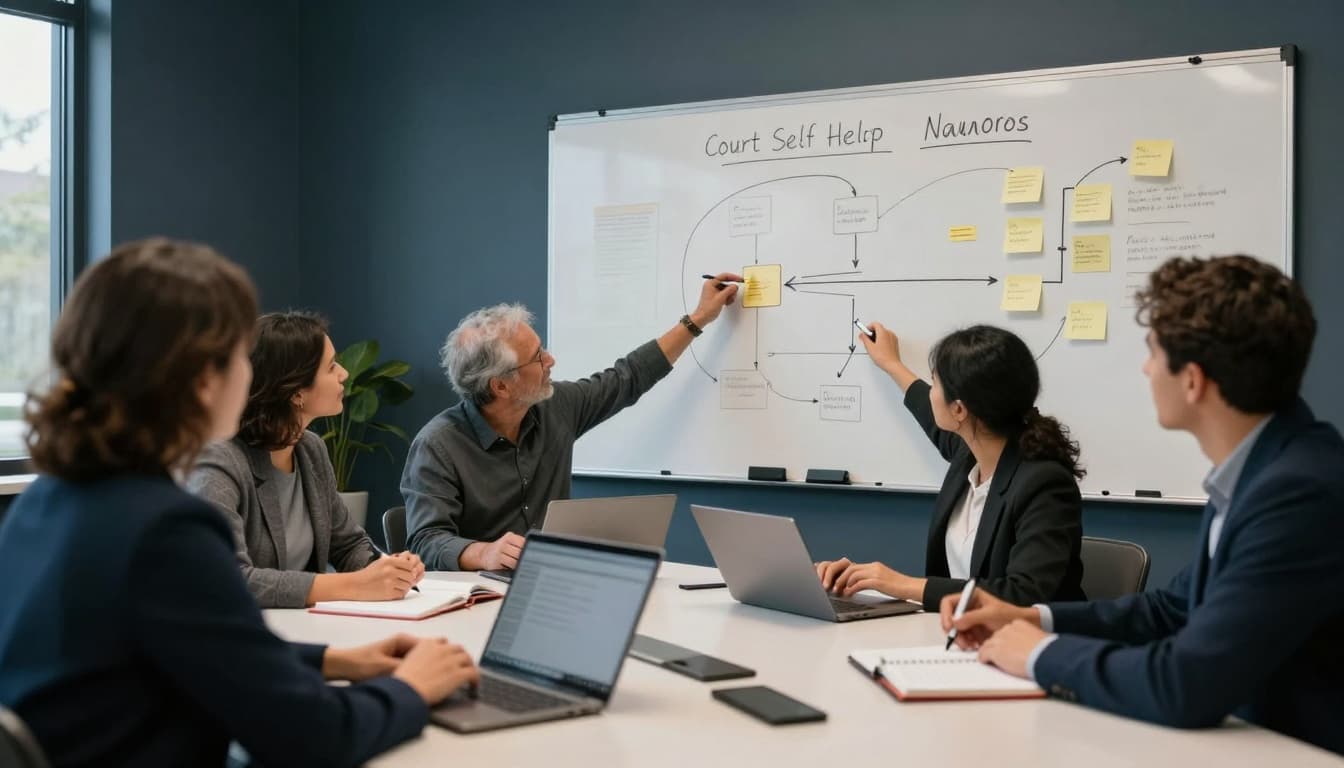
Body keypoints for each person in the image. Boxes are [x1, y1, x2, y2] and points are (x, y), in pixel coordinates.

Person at [0, 239, 477, 767]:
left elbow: (202, 647)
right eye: (239, 356)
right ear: (205, 381)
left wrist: (337, 661)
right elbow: (314, 736)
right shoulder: (165, 531)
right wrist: (412, 687)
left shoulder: (47, 501)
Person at [942, 255, 1344, 755]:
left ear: (1192, 380)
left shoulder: (1298, 492)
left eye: (1152, 351)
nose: (1146, 367)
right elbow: (1171, 610)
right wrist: (1029, 618)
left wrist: (1042, 654)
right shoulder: (1264, 468)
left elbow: (1186, 684)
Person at [403, 273, 741, 570]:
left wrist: (698, 319)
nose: (551, 360)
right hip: (476, 596)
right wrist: (484, 553)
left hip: (551, 581)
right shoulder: (438, 445)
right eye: (537, 358)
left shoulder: (556, 408)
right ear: (501, 386)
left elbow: (628, 377)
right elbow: (425, 541)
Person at [815, 324, 1086, 611]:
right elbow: (926, 408)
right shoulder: (968, 453)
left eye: (935, 383)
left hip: (1027, 636)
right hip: (958, 630)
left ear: (958, 410)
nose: (931, 392)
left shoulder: (1044, 483)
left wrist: (902, 584)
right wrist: (892, 364)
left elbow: (1023, 594)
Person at [188, 312, 424, 608]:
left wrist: (389, 569)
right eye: (332, 367)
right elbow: (225, 577)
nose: (344, 374)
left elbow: (348, 544)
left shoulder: (311, 449)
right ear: (296, 391)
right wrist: (354, 585)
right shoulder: (219, 460)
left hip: (304, 625)